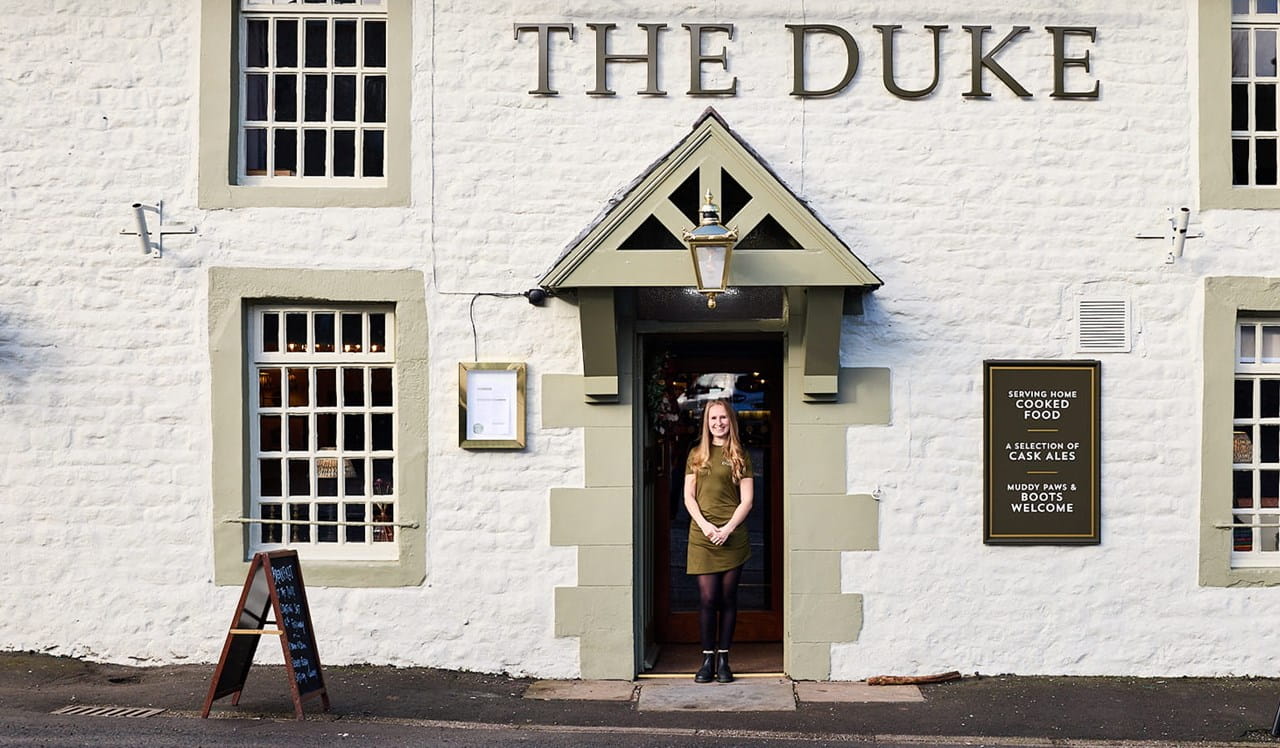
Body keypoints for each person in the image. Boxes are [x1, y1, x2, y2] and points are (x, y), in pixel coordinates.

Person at [684, 398, 754, 684]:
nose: (718, 423)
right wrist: (706, 526)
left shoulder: (740, 455)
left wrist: (726, 529)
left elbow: (748, 500)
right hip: (702, 536)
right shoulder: (696, 454)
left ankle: (724, 660)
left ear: (730, 421)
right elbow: (688, 496)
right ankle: (706, 660)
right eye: (713, 419)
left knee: (727, 599)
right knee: (707, 598)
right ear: (707, 422)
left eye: (723, 418)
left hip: (732, 535)